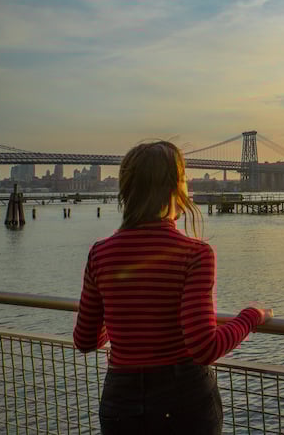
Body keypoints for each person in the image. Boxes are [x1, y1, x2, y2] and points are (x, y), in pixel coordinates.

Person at [74, 141, 272, 434]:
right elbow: (205, 347)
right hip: (182, 400)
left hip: (121, 399)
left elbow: (86, 339)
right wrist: (252, 316)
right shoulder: (195, 254)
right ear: (175, 188)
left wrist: (124, 317)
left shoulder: (101, 253)